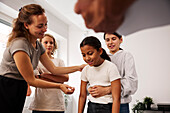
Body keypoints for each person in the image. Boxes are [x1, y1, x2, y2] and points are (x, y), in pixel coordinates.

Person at [0, 4, 85, 113]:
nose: (45, 29)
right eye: (40, 26)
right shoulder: (20, 45)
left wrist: (79, 67)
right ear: (26, 25)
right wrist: (59, 86)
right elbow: (32, 80)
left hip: (19, 86)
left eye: (46, 25)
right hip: (6, 86)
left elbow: (54, 69)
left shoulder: (38, 45)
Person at [88, 32, 138, 113]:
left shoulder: (126, 56)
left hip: (121, 104)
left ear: (121, 39)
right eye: (107, 40)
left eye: (113, 39)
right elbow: (92, 77)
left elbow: (131, 83)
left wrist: (108, 90)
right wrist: (91, 89)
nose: (110, 42)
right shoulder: (101, 57)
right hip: (103, 104)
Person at [78, 36, 121, 113]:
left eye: (90, 53)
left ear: (100, 51)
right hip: (91, 107)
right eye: (84, 55)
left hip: (107, 108)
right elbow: (82, 96)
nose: (87, 58)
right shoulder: (86, 70)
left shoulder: (111, 67)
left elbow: (116, 98)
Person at [28, 34, 69, 113]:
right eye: (45, 42)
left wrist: (45, 75)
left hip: (57, 105)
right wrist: (57, 79)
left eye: (51, 43)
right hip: (40, 105)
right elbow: (35, 80)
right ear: (39, 44)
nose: (49, 45)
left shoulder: (59, 61)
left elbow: (65, 78)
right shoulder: (36, 61)